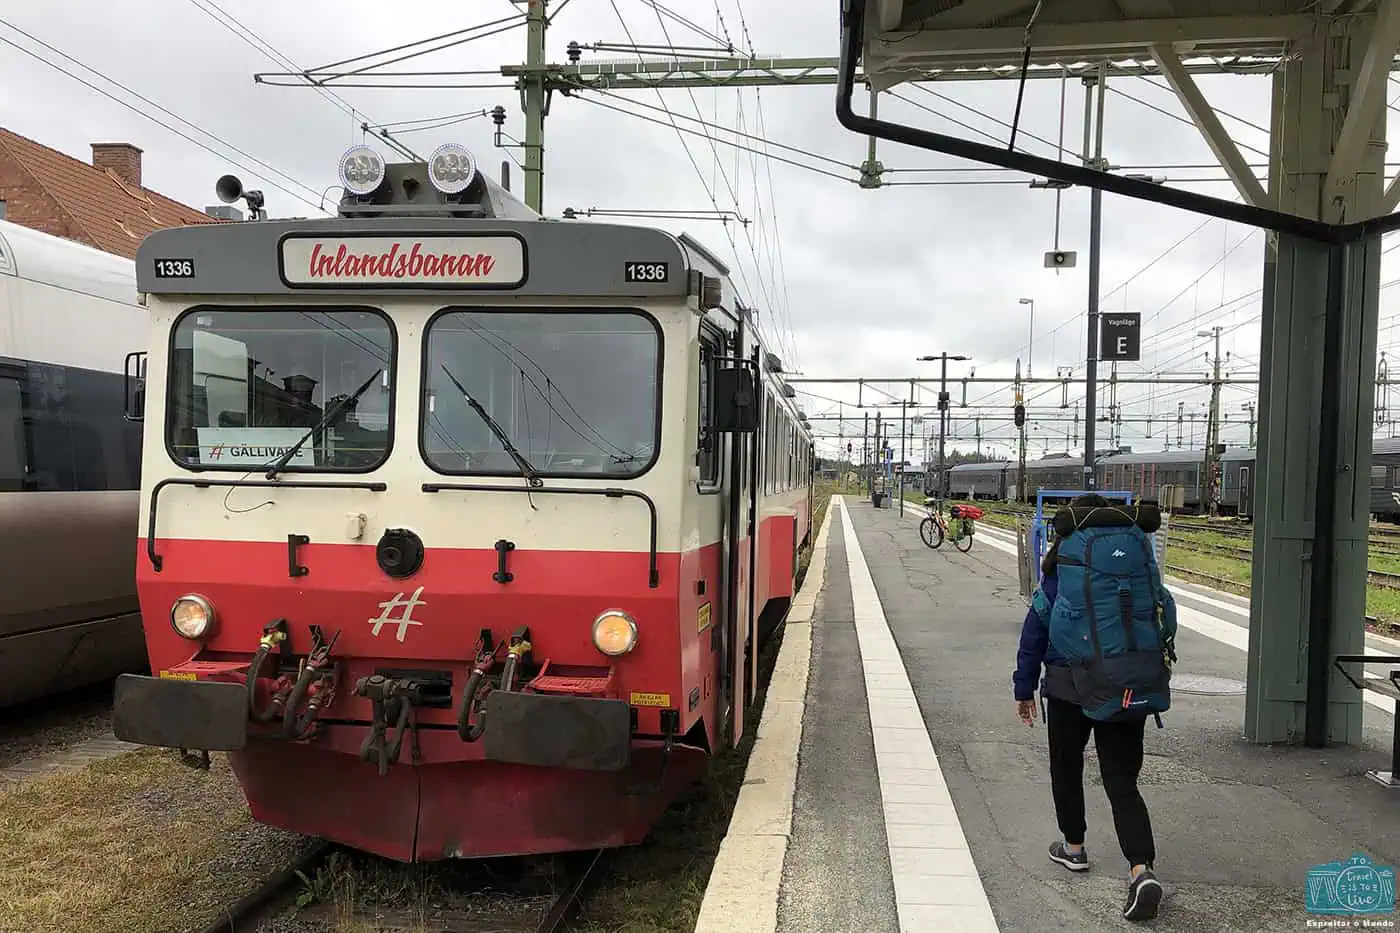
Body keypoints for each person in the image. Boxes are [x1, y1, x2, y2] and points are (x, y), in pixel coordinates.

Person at [1013, 494, 1164, 923]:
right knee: (1122, 781)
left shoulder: (1064, 573)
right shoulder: (1133, 569)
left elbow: (1034, 633)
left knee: (1067, 766)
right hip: (1127, 685)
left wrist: (1024, 689)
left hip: (1067, 689)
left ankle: (1074, 848)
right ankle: (1141, 869)